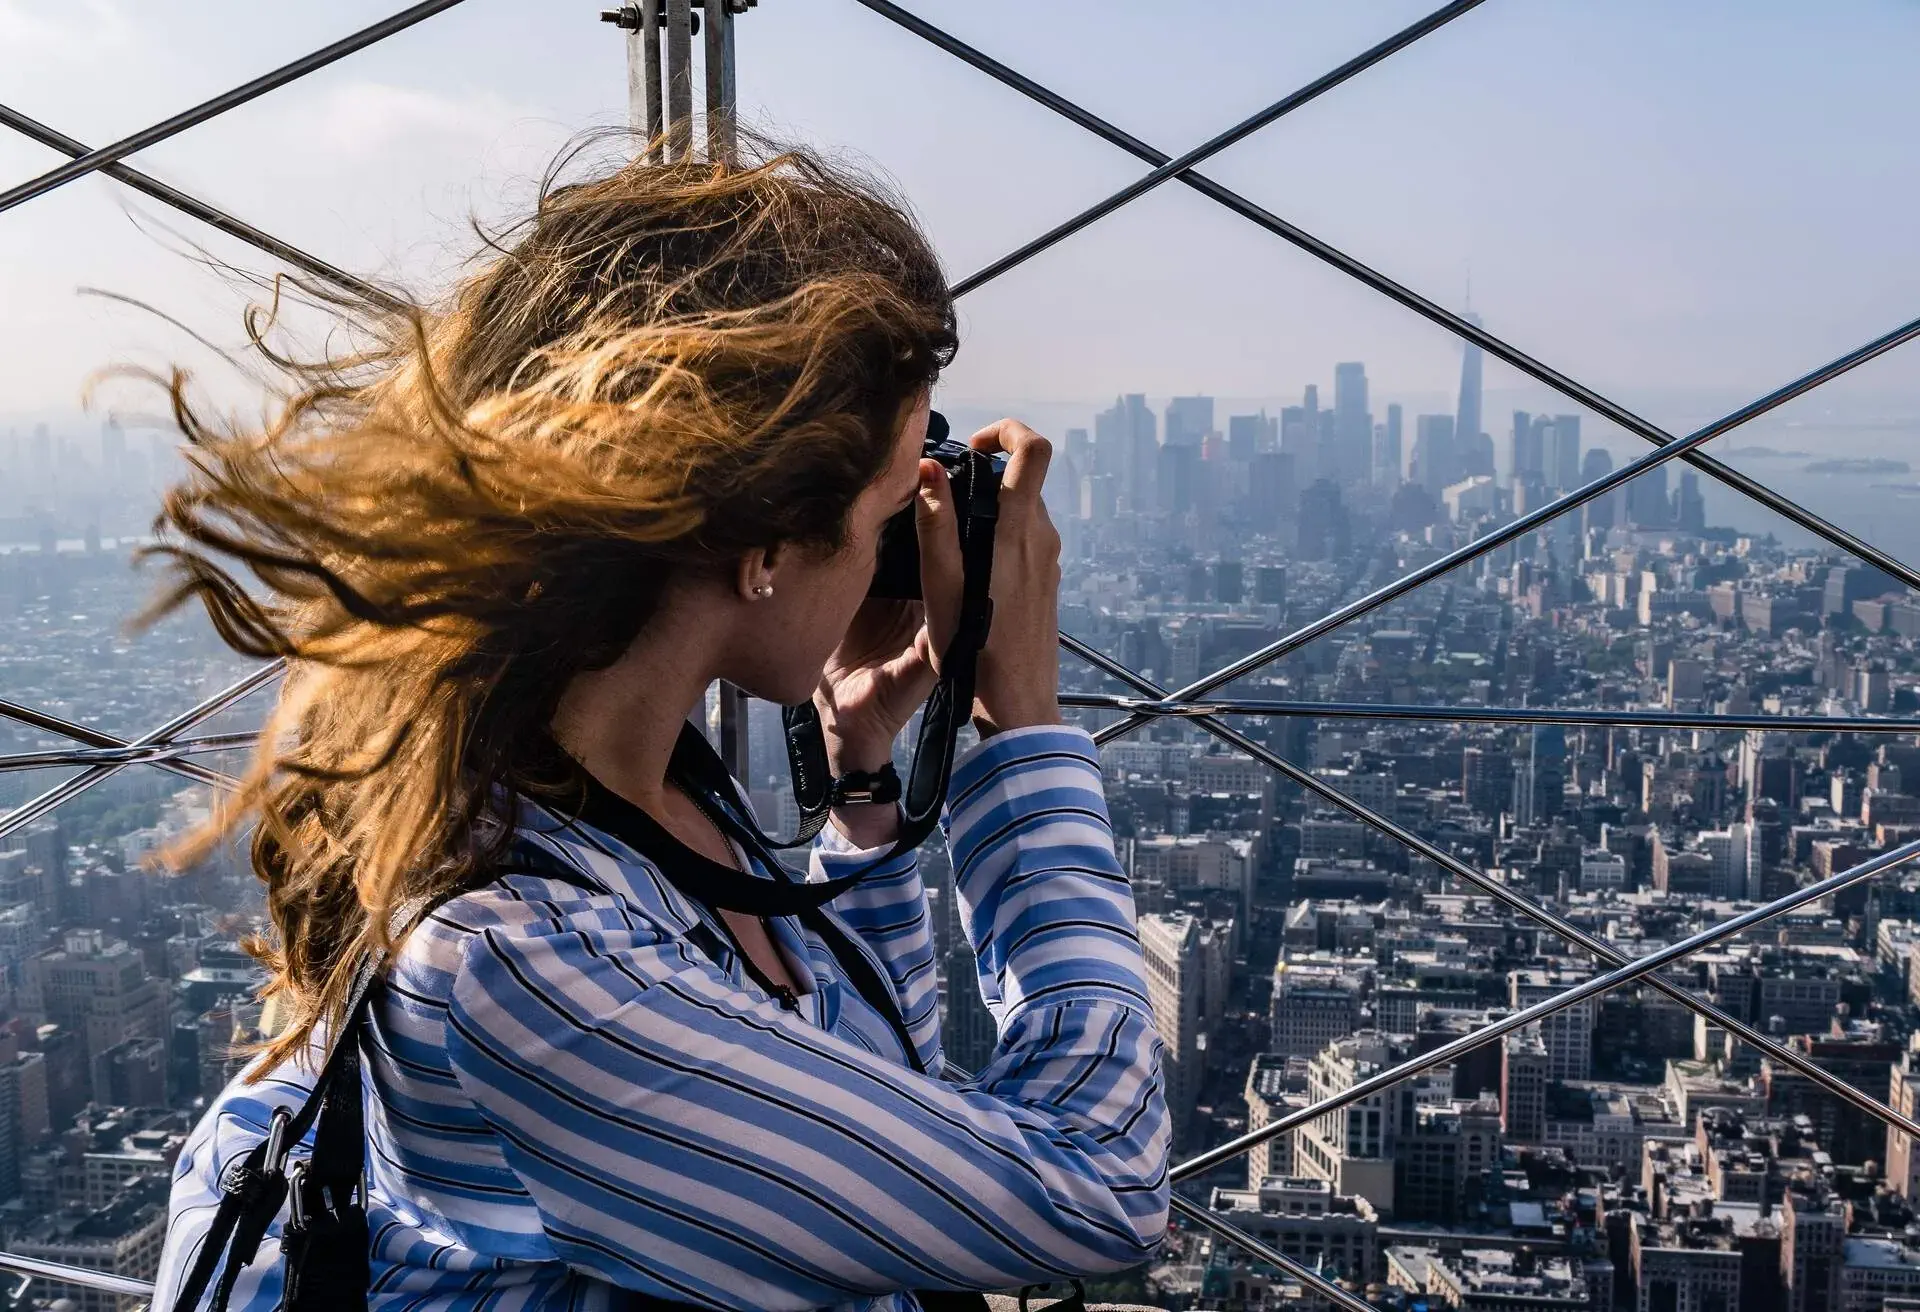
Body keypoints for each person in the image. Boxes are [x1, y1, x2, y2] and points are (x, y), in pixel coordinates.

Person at [148, 137, 1169, 1311]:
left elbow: (869, 1114)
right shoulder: (522, 962)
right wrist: (1025, 730)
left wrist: (861, 771)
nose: (912, 534)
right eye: (896, 498)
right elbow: (1097, 1186)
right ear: (767, 546)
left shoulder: (629, 786)